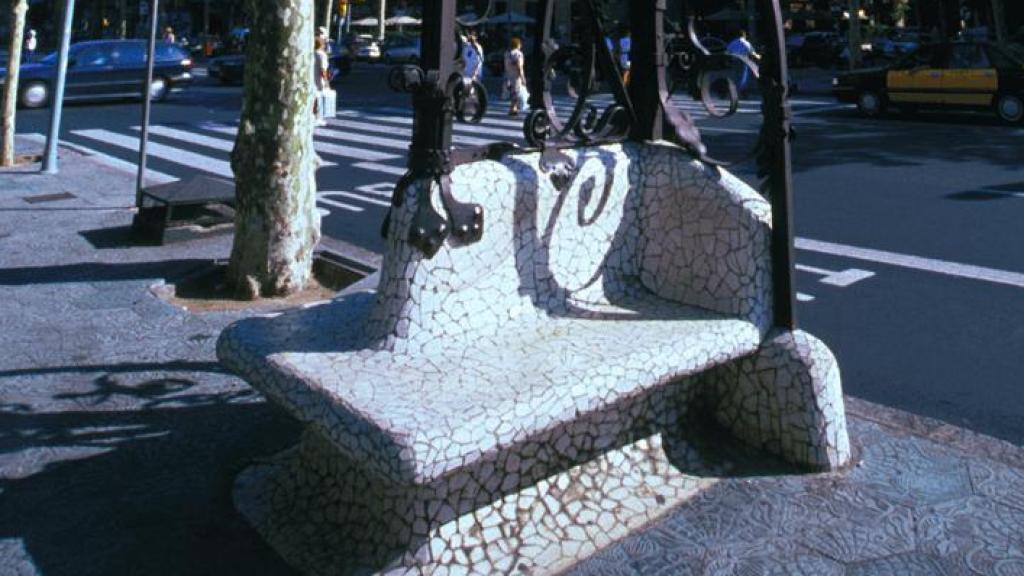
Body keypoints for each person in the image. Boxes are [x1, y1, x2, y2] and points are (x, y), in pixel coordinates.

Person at [726, 30, 760, 95]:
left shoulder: (733, 43)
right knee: (743, 76)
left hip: (735, 60)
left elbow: (727, 52)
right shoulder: (746, 43)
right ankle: (741, 90)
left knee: (735, 75)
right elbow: (752, 52)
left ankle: (734, 89)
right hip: (744, 61)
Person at [504, 37, 526, 116]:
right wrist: (522, 77)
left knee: (512, 92)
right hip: (516, 76)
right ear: (518, 45)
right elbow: (519, 66)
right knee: (516, 93)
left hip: (508, 75)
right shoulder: (518, 54)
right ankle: (513, 109)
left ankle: (513, 108)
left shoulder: (507, 53)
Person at [313, 36, 331, 127]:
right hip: (318, 81)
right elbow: (323, 70)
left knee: (313, 99)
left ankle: (313, 117)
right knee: (318, 99)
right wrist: (326, 81)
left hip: (311, 79)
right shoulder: (321, 55)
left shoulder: (311, 53)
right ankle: (317, 118)